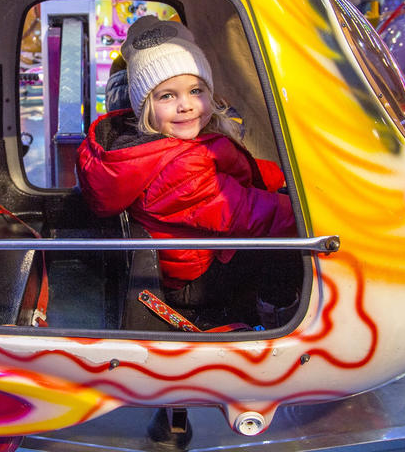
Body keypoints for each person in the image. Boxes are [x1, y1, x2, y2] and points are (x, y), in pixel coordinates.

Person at [76, 16, 296, 327]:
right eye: (167, 96)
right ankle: (278, 313)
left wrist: (280, 177)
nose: (187, 105)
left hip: (191, 259)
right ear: (145, 107)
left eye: (196, 90)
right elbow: (247, 212)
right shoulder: (180, 166)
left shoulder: (165, 147)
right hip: (197, 282)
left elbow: (237, 172)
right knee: (286, 248)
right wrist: (310, 212)